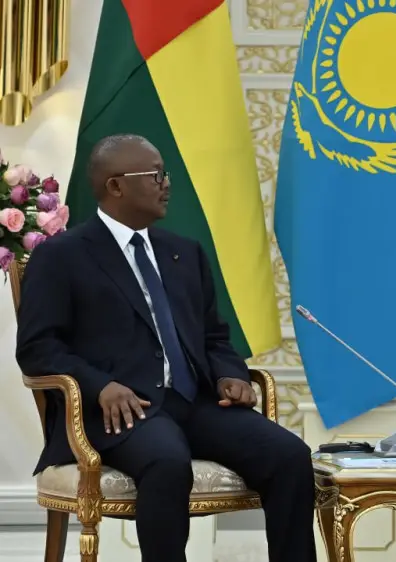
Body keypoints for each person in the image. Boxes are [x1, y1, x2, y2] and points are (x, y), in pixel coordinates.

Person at [15, 134, 317, 562]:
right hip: (122, 412)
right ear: (116, 186)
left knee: (289, 455)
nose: (166, 183)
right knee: (167, 460)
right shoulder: (62, 256)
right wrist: (100, 386)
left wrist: (229, 374)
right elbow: (37, 348)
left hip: (196, 402)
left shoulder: (184, 253)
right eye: (155, 175)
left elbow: (214, 336)